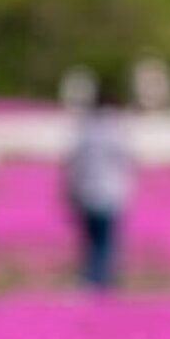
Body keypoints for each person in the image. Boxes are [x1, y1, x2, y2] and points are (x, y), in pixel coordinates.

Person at [63, 78, 137, 291]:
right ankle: (102, 282)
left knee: (89, 242)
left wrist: (70, 191)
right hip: (110, 193)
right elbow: (128, 161)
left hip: (85, 192)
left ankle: (89, 280)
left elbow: (73, 163)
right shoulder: (119, 130)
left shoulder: (85, 129)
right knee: (105, 243)